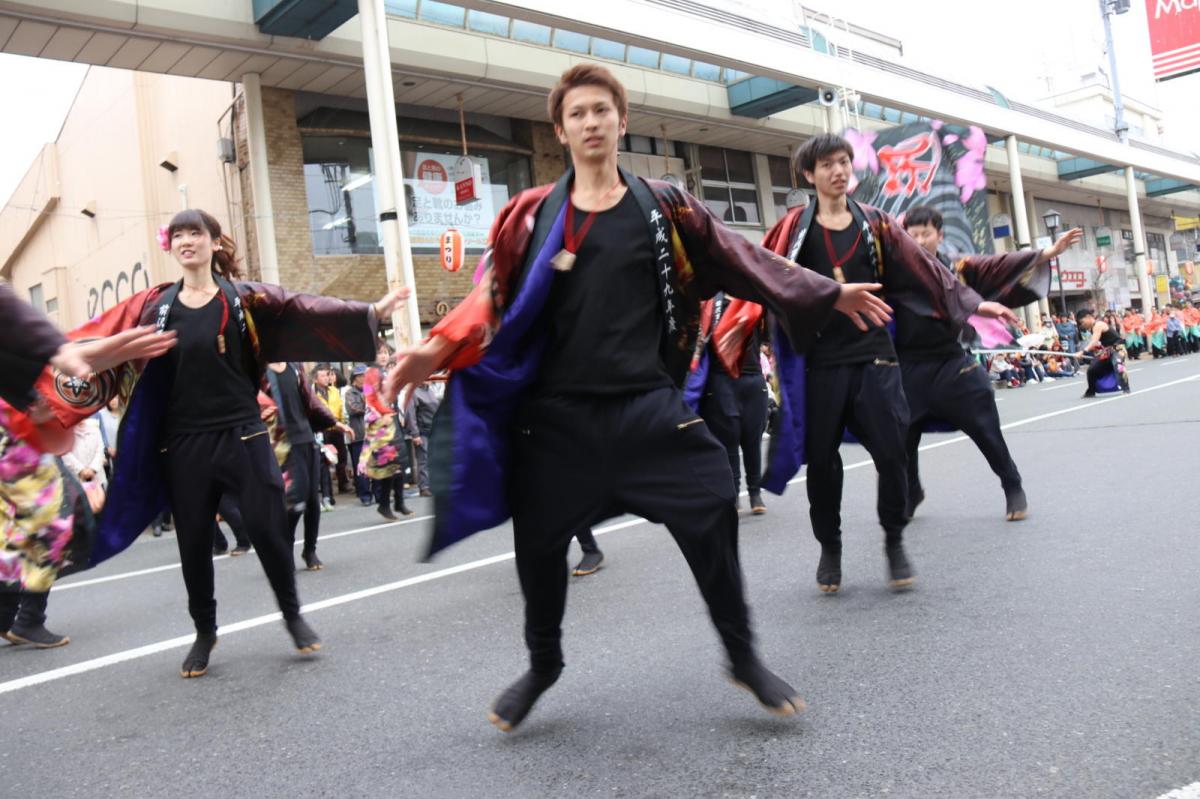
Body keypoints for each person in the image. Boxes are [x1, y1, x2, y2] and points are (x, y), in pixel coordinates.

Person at [385, 64, 895, 732]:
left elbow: (745, 259)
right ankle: (543, 664)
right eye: (578, 113)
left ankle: (742, 654)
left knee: (713, 502)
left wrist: (828, 290)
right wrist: (437, 348)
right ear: (561, 129)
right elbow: (492, 296)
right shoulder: (533, 214)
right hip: (559, 420)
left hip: (648, 406)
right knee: (539, 545)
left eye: (602, 110)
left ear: (621, 121)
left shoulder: (665, 206)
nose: (591, 121)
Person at [31, 209, 403, 678]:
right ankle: (204, 631)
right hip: (182, 442)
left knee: (269, 529)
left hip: (243, 433)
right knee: (192, 544)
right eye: (179, 234)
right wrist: (39, 387)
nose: (187, 241)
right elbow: (94, 342)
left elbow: (302, 307)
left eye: (196, 233)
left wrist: (369, 313)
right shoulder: (153, 307)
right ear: (171, 246)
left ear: (212, 242)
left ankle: (292, 616)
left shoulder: (244, 300)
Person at [759, 136, 1018, 594]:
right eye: (827, 164)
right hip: (821, 365)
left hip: (876, 357)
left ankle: (894, 539)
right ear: (808, 175)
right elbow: (764, 278)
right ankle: (830, 547)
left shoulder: (875, 224)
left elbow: (926, 268)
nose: (839, 171)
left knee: (893, 454)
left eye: (844, 162)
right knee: (821, 463)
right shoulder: (792, 231)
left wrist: (976, 305)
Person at [1, 283, 175, 647]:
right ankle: (27, 618)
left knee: (21, 528)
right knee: (59, 519)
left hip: (15, 422)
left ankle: (10, 617)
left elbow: (61, 354)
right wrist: (62, 353)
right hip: (11, 431)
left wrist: (80, 353)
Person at [898, 205, 1074, 522]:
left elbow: (999, 264)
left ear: (939, 235)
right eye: (914, 235)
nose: (921, 240)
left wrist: (1049, 251)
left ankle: (1012, 483)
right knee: (902, 437)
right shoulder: (893, 269)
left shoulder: (959, 267)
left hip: (951, 361)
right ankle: (912, 492)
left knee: (985, 427)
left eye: (927, 234)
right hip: (909, 365)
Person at [263, 361, 352, 570]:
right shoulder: (261, 371)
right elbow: (251, 402)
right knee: (296, 497)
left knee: (312, 499)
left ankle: (309, 550)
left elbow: (310, 400)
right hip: (283, 444)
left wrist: (333, 422)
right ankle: (284, 547)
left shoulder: (295, 367)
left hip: (307, 438)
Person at [689, 295, 771, 514]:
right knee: (729, 440)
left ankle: (755, 493)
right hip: (721, 379)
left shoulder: (753, 299)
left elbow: (769, 334)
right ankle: (733, 495)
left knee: (752, 439)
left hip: (753, 378)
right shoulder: (708, 304)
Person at [1077, 308, 1130, 396]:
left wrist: (1082, 351)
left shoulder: (1099, 324)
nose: (1082, 325)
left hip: (1118, 348)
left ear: (1088, 317)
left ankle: (1126, 388)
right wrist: (1097, 351)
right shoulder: (1091, 328)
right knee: (1092, 369)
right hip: (1107, 351)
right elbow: (1099, 343)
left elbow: (1094, 341)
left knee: (1118, 364)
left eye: (1082, 322)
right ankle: (1091, 391)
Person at [344, 365, 372, 505]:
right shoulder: (350, 393)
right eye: (361, 376)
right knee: (361, 466)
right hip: (359, 434)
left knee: (375, 464)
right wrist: (368, 404)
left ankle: (378, 494)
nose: (364, 379)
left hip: (373, 433)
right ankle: (365, 496)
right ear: (354, 378)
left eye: (365, 376)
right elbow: (353, 409)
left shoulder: (370, 389)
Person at [410, 382, 440, 497]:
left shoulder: (430, 390)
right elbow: (410, 414)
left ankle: (432, 485)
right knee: (424, 459)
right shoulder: (413, 392)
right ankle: (424, 487)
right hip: (421, 431)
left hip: (433, 428)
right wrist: (415, 434)